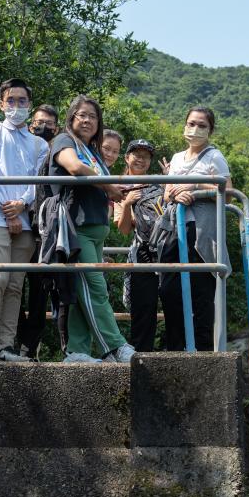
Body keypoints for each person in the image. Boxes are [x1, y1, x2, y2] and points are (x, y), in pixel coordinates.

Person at [48, 95, 135, 363]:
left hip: (95, 230)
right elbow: (73, 167)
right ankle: (114, 347)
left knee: (83, 291)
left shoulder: (93, 151)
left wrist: (114, 189)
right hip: (77, 229)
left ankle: (78, 351)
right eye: (82, 115)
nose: (87, 120)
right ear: (71, 118)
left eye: (93, 117)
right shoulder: (65, 142)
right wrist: (108, 186)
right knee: (95, 288)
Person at [0, 79, 48, 362]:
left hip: (26, 218)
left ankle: (6, 346)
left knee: (16, 284)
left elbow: (38, 179)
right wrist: (9, 209)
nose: (17, 106)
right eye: (11, 100)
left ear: (29, 104)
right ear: (1, 104)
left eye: (22, 101)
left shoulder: (39, 143)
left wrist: (22, 205)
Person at [160, 106, 232, 352]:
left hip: (202, 231)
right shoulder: (178, 157)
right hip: (175, 229)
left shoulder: (215, 157)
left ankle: (202, 353)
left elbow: (228, 194)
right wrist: (172, 194)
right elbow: (168, 192)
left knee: (201, 293)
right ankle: (175, 349)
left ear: (210, 130)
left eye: (202, 125)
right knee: (169, 288)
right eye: (191, 123)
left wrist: (197, 186)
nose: (195, 129)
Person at [16, 104, 67, 360]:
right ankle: (13, 343)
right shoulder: (21, 150)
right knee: (12, 287)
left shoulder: (60, 155)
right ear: (30, 123)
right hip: (17, 226)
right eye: (38, 122)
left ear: (56, 128)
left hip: (44, 234)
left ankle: (29, 349)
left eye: (48, 123)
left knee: (39, 293)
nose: (42, 127)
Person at [114, 139, 163, 352]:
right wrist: (127, 203)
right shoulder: (120, 187)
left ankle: (175, 352)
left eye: (146, 155)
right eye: (136, 154)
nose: (141, 159)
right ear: (127, 157)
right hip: (142, 252)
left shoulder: (161, 183)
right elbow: (124, 230)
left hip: (168, 249)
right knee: (144, 308)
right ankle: (141, 356)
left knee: (174, 303)